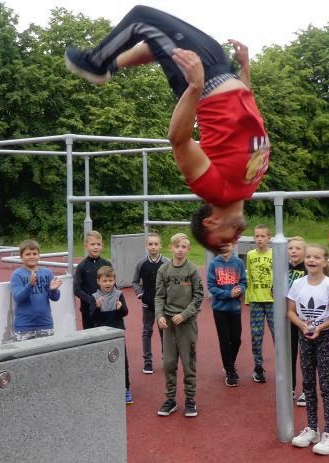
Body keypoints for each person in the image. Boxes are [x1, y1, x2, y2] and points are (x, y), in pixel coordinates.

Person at [64, 6, 270, 253]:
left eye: (225, 241)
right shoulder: (250, 186)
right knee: (160, 44)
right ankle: (110, 68)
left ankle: (95, 64)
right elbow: (246, 116)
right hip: (224, 69)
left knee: (141, 18)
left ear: (210, 222)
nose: (236, 240)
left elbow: (179, 140)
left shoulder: (213, 190)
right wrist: (245, 68)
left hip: (204, 81)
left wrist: (194, 85)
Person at [287, 244, 329, 455]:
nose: (311, 260)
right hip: (305, 336)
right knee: (308, 383)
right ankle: (312, 428)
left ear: (324, 262)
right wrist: (301, 325)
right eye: (308, 257)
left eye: (316, 257)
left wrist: (320, 327)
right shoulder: (298, 284)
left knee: (326, 385)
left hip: (324, 337)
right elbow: (291, 310)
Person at [155, 233, 204, 418]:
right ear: (171, 248)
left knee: (188, 362)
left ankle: (190, 399)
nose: (180, 250)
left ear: (188, 249)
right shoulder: (163, 270)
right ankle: (170, 399)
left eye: (184, 247)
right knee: (168, 362)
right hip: (168, 324)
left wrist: (184, 315)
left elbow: (198, 296)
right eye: (177, 246)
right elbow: (159, 296)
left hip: (187, 324)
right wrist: (159, 315)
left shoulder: (192, 270)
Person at [207, 241, 246, 387]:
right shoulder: (213, 264)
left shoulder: (239, 263)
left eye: (227, 244)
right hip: (219, 309)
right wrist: (228, 293)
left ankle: (230, 362)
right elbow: (211, 287)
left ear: (233, 245)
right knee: (224, 340)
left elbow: (243, 282)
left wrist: (240, 290)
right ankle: (230, 371)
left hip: (235, 308)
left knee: (236, 339)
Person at [93, 266, 133, 405]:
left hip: (117, 333)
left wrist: (120, 308)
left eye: (110, 280)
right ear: (98, 281)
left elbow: (125, 312)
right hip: (102, 335)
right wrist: (97, 308)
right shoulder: (95, 297)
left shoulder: (119, 294)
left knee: (123, 361)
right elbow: (93, 318)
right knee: (103, 362)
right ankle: (105, 387)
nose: (108, 283)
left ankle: (126, 388)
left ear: (114, 280)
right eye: (105, 281)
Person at [132, 232, 170, 374]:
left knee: (164, 332)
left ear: (160, 245)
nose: (153, 247)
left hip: (163, 305)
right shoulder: (141, 263)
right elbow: (135, 281)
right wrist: (139, 293)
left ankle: (166, 359)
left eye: (156, 244)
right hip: (147, 304)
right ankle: (147, 362)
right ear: (146, 246)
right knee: (147, 332)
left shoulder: (166, 263)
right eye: (150, 244)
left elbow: (171, 281)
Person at [10, 240, 63, 341]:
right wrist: (29, 285)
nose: (32, 256)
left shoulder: (47, 273)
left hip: (45, 324)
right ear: (21, 257)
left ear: (39, 256)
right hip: (24, 326)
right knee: (24, 356)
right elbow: (18, 298)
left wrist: (53, 290)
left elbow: (55, 298)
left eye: (34, 253)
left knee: (46, 355)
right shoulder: (17, 275)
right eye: (28, 254)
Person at [245, 224, 273, 383]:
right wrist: (248, 297)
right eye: (257, 236)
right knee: (256, 336)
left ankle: (283, 366)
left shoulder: (275, 254)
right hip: (256, 300)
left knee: (278, 334)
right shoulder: (250, 255)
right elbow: (248, 277)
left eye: (263, 236)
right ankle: (258, 367)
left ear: (269, 238)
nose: (259, 239)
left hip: (272, 301)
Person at [74, 230, 112, 330]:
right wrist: (91, 300)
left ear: (102, 245)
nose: (96, 247)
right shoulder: (81, 266)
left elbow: (113, 284)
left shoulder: (107, 264)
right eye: (92, 244)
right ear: (86, 246)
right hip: (88, 310)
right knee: (91, 339)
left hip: (106, 307)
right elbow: (77, 289)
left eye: (98, 244)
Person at [287, 237, 307, 406]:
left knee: (306, 355)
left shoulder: (308, 269)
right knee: (289, 354)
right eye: (291, 248)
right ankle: (290, 387)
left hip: (306, 318)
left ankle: (307, 390)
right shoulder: (283, 268)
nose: (293, 251)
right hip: (289, 317)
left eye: (298, 248)